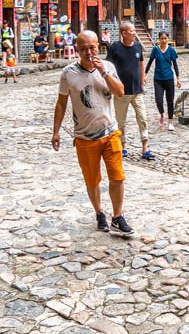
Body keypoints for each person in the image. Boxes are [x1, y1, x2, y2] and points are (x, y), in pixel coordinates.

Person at [51, 30, 132, 235]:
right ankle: (99, 213)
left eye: (92, 47)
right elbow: (61, 103)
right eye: (84, 48)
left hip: (110, 132)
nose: (89, 52)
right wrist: (56, 132)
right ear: (77, 49)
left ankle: (117, 216)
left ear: (99, 47)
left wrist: (103, 72)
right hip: (84, 136)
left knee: (117, 177)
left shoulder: (109, 67)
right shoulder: (68, 73)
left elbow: (120, 91)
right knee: (92, 180)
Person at [106, 21, 153, 161]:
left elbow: (141, 64)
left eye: (134, 30)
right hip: (121, 92)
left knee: (142, 118)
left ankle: (145, 147)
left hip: (137, 91)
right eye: (131, 31)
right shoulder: (115, 47)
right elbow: (108, 67)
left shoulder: (138, 46)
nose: (134, 33)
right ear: (124, 33)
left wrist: (142, 80)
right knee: (121, 121)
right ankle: (123, 146)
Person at [145, 30, 181, 130]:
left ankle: (170, 122)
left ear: (168, 39)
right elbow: (150, 63)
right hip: (158, 79)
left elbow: (175, 64)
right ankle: (162, 114)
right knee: (158, 100)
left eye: (165, 39)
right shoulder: (155, 50)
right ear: (159, 39)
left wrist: (178, 78)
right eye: (162, 39)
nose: (164, 40)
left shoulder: (171, 50)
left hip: (169, 78)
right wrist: (144, 74)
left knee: (170, 101)